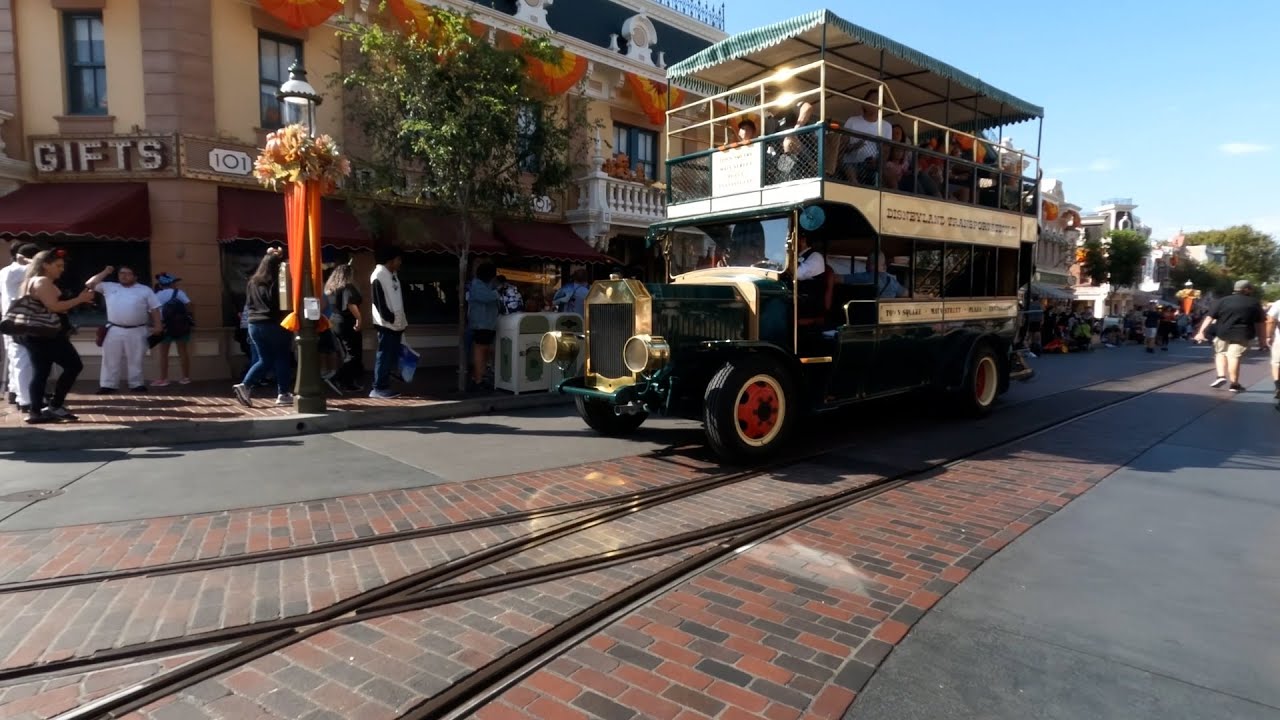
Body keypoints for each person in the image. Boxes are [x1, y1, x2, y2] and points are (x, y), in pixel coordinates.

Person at [18, 249, 96, 423]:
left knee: (41, 372)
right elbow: (54, 306)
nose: (62, 269)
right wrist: (80, 299)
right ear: (46, 265)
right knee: (74, 365)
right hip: (48, 335)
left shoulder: (31, 280)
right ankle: (54, 405)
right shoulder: (43, 281)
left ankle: (36, 411)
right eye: (58, 265)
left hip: (35, 333)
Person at [86, 265, 162, 394]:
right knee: (110, 358)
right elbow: (90, 284)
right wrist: (106, 271)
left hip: (138, 329)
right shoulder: (110, 286)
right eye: (121, 273)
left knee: (136, 358)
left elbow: (154, 308)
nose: (124, 275)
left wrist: (158, 325)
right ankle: (108, 384)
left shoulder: (145, 290)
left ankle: (136, 384)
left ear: (135, 276)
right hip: (114, 329)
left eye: (128, 273)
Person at [232, 248, 293, 408]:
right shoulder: (277, 282)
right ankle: (284, 393)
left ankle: (245, 385)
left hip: (254, 325)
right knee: (281, 357)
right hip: (274, 323)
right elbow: (281, 304)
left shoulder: (252, 282)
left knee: (264, 359)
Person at [1194, 279, 1267, 393]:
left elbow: (1209, 317)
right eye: (1250, 288)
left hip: (1222, 332)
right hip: (1243, 334)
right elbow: (1260, 323)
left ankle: (1221, 376)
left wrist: (1201, 332)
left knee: (1220, 353)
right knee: (1234, 357)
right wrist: (1263, 341)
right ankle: (1234, 384)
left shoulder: (1222, 301)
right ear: (1246, 289)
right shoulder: (1254, 303)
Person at [1, 243, 38, 412]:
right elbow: (40, 267)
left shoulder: (6, 270)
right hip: (18, 321)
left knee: (15, 359)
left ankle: (16, 393)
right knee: (24, 361)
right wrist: (27, 260)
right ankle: (27, 401)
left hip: (11, 320)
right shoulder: (16, 270)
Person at [370, 246, 407, 399]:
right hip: (386, 324)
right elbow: (379, 302)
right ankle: (379, 387)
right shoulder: (378, 275)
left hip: (396, 323)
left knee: (390, 355)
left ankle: (384, 383)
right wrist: (389, 318)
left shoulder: (393, 274)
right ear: (390, 260)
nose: (400, 262)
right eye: (398, 259)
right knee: (384, 355)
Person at [323, 263, 365, 393]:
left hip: (334, 321)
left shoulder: (331, 288)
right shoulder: (347, 287)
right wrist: (359, 319)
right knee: (353, 354)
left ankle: (348, 383)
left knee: (345, 354)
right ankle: (337, 377)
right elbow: (351, 304)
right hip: (347, 322)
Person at [841, 88, 891, 185]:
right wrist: (854, 146)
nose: (874, 103)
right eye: (871, 100)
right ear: (864, 103)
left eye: (878, 101)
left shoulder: (886, 126)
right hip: (852, 163)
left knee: (889, 174)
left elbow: (886, 152)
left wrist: (877, 161)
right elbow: (843, 147)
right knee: (849, 169)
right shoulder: (852, 121)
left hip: (873, 164)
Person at [151, 273, 193, 386]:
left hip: (164, 326)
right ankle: (185, 377)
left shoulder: (156, 295)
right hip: (180, 325)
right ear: (171, 283)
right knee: (183, 351)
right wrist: (189, 318)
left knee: (163, 353)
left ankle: (164, 379)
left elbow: (152, 311)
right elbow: (189, 305)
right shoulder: (179, 293)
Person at [467, 263, 501, 392]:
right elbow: (487, 297)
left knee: (485, 350)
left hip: (488, 323)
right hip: (481, 323)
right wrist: (497, 291)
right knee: (481, 349)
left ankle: (480, 376)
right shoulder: (477, 285)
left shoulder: (486, 284)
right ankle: (478, 379)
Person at [843, 252, 908, 298]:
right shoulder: (892, 282)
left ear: (869, 265)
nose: (865, 266)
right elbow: (909, 294)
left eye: (867, 263)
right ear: (884, 266)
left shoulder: (864, 277)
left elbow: (836, 278)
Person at [1265, 300, 1280, 401]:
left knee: (1277, 363)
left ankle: (1278, 386)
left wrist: (1268, 336)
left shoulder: (1278, 303)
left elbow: (1270, 320)